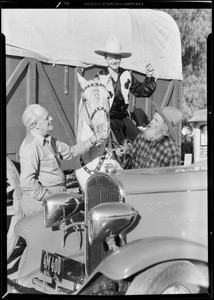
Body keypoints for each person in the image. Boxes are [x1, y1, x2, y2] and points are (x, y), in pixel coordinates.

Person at [19, 104, 103, 216]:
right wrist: (49, 198)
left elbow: (71, 152)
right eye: (46, 118)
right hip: (40, 202)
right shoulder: (30, 147)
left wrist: (94, 139)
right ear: (35, 125)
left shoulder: (50, 140)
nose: (51, 119)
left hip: (55, 195)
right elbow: (27, 182)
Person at [94, 36, 157, 145]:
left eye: (117, 58)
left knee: (142, 142)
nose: (114, 61)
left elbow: (142, 91)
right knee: (113, 147)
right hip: (107, 120)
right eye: (111, 58)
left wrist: (149, 76)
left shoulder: (126, 75)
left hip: (123, 118)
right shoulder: (100, 77)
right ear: (106, 58)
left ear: (121, 58)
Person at [116, 101, 183, 168]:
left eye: (156, 120)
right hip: (133, 178)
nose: (151, 122)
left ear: (164, 128)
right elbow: (127, 165)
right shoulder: (142, 136)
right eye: (153, 119)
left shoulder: (172, 153)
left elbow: (171, 178)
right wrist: (123, 154)